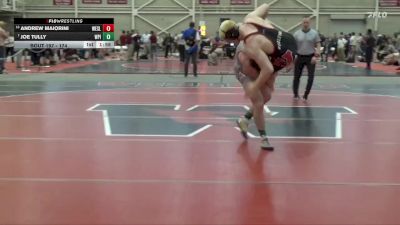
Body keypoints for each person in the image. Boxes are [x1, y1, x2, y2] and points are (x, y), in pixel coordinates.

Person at [219, 3, 297, 150]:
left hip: (261, 62)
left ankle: (244, 119)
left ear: (233, 37)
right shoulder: (251, 19)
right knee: (259, 101)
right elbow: (266, 6)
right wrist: (255, 86)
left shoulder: (252, 41)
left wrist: (258, 85)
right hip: (245, 69)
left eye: (229, 41)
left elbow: (267, 69)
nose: (231, 43)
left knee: (267, 96)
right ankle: (264, 138)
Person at [292, 17, 321, 101]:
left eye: (307, 22)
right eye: (304, 22)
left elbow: (318, 44)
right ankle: (295, 94)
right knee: (296, 77)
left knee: (311, 77)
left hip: (310, 57)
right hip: (299, 57)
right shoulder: (296, 34)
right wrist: (294, 55)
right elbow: (293, 45)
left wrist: (316, 54)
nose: (305, 24)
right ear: (301, 23)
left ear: (309, 23)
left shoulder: (314, 33)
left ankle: (306, 95)